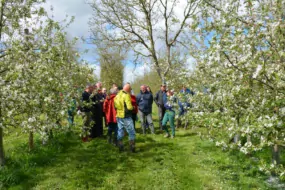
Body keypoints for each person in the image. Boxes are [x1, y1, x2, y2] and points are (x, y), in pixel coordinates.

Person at [114, 83, 136, 152]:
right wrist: (133, 107)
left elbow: (115, 106)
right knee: (131, 132)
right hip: (126, 116)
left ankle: (120, 146)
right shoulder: (126, 95)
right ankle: (132, 148)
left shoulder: (117, 95)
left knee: (120, 131)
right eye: (130, 89)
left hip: (119, 116)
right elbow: (129, 107)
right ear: (128, 89)